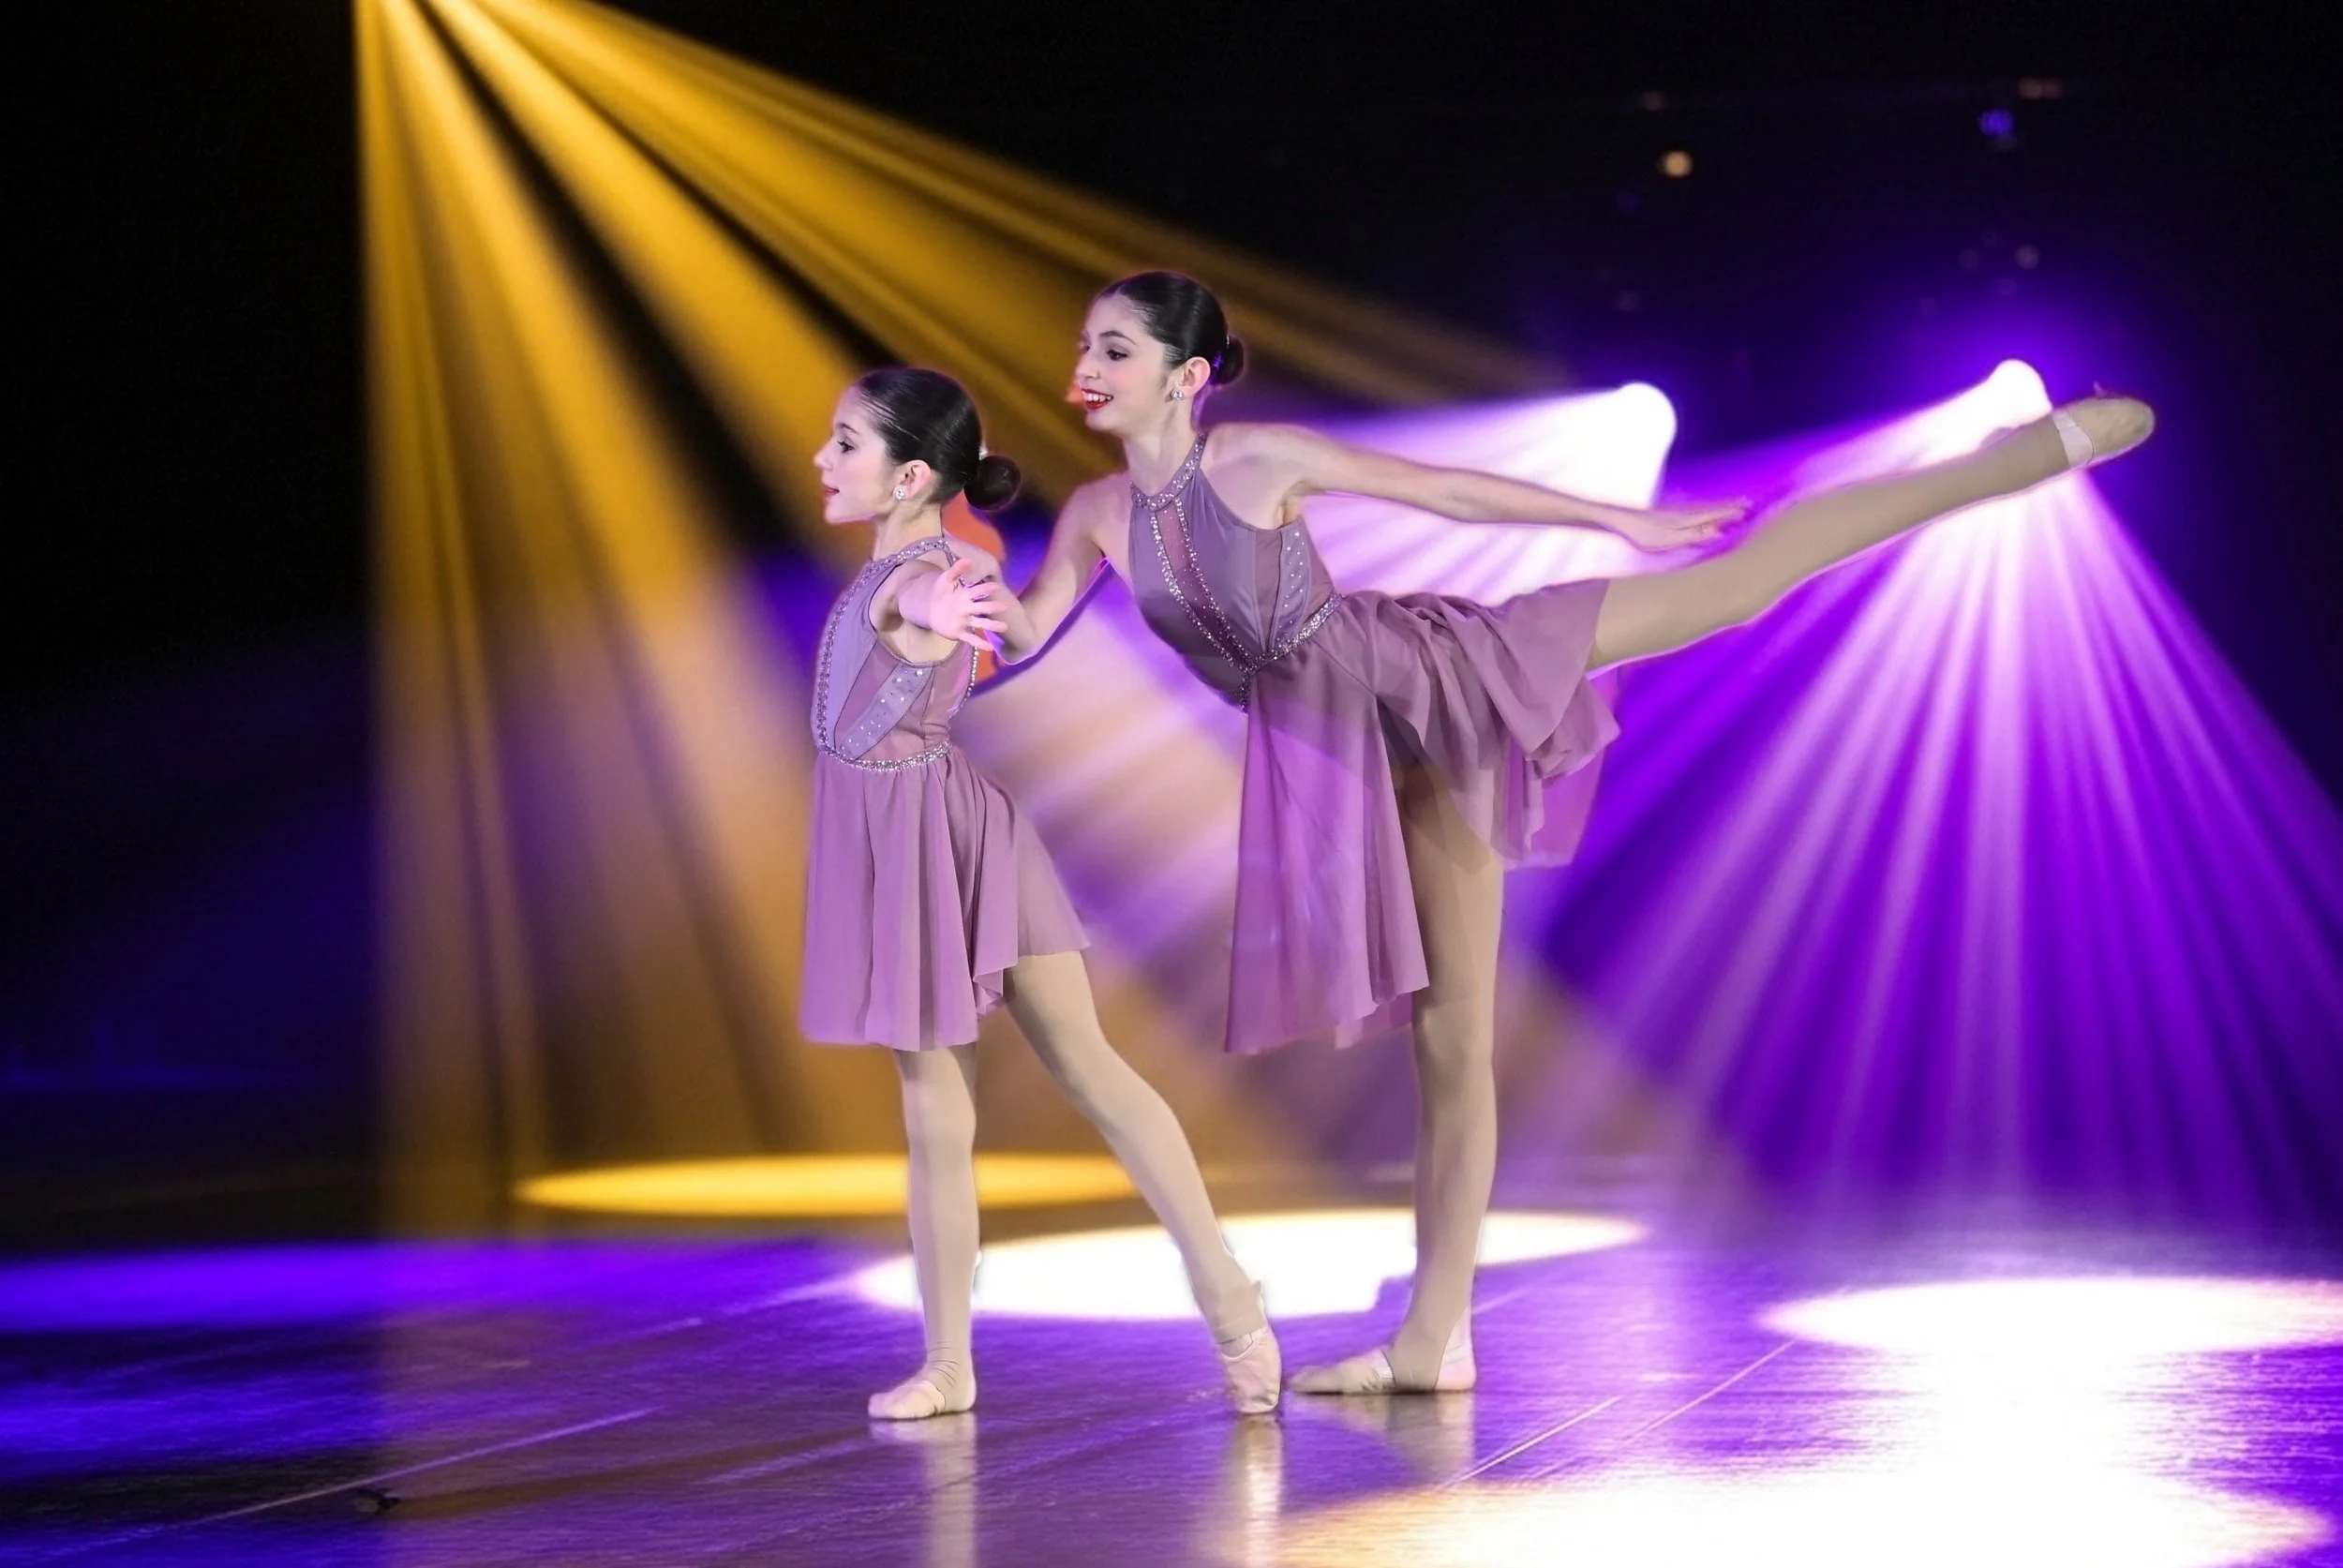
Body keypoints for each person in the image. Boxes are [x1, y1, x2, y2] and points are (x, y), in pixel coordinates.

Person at [993, 271, 2153, 1394]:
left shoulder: (1257, 458)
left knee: (1736, 585)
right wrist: (946, 613)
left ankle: (2013, 459)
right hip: (1339, 761)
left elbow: (1448, 492)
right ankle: (1431, 1341)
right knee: (1445, 1047)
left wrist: (1613, 516)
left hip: (1436, 682)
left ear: (1186, 374)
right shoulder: (1098, 516)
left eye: (1113, 348)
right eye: (1086, 346)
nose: (1084, 368)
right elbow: (1028, 625)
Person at [802, 366, 1279, 1418]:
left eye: (845, 443)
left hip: (939, 836)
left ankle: (1227, 1291)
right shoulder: (896, 569)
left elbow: (947, 604)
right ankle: (948, 1364)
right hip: (922, 830)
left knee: (1072, 1070)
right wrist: (993, 612)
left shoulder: (919, 570)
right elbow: (1003, 632)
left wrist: (954, 599)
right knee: (942, 1111)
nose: (822, 458)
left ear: (910, 474)